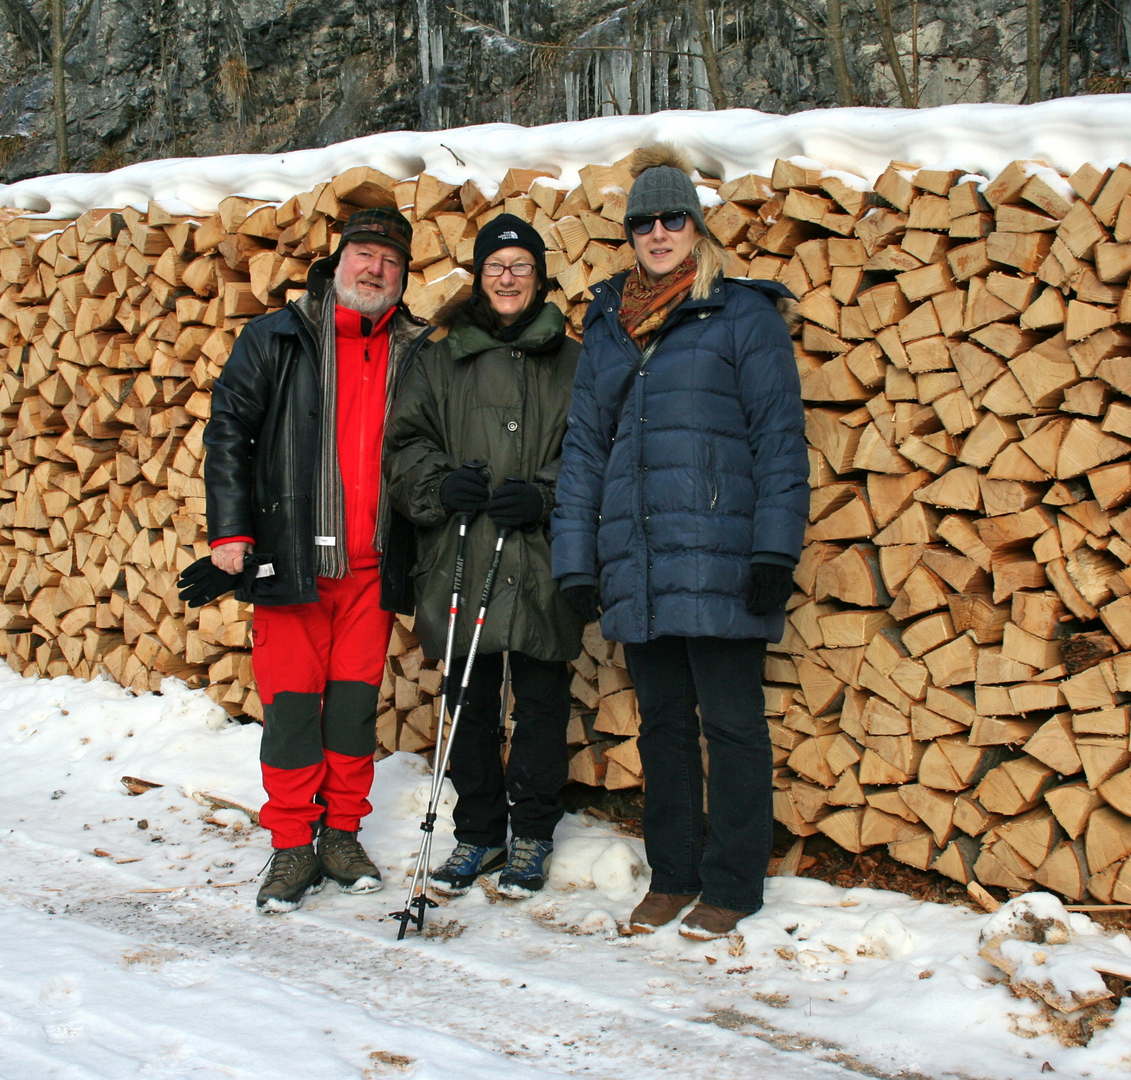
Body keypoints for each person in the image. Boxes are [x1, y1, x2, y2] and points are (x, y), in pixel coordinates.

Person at [550, 145, 808, 940]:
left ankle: (731, 883)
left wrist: (774, 552)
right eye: (643, 222)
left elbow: (778, 440)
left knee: (731, 723)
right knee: (662, 724)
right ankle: (672, 875)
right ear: (629, 234)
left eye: (672, 219)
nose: (658, 233)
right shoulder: (608, 326)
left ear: (697, 227)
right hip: (640, 559)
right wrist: (575, 562)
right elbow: (585, 449)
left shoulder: (743, 315)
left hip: (723, 555)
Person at [200, 208, 434, 914]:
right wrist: (229, 531)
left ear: (402, 276)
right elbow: (229, 430)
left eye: (390, 262)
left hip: (371, 568)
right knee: (294, 711)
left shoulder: (417, 349)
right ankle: (293, 841)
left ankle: (341, 832)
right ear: (337, 263)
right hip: (292, 561)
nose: (375, 270)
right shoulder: (278, 336)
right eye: (364, 255)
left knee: (354, 713)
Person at [384, 213, 584, 899]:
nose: (507, 278)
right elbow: (404, 446)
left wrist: (548, 496)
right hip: (462, 551)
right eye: (496, 267)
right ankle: (477, 832)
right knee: (467, 700)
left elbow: (596, 455)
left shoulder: (572, 361)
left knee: (541, 700)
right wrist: (442, 485)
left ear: (538, 277)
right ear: (478, 278)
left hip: (541, 556)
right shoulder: (440, 359)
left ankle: (530, 831)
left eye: (520, 267)